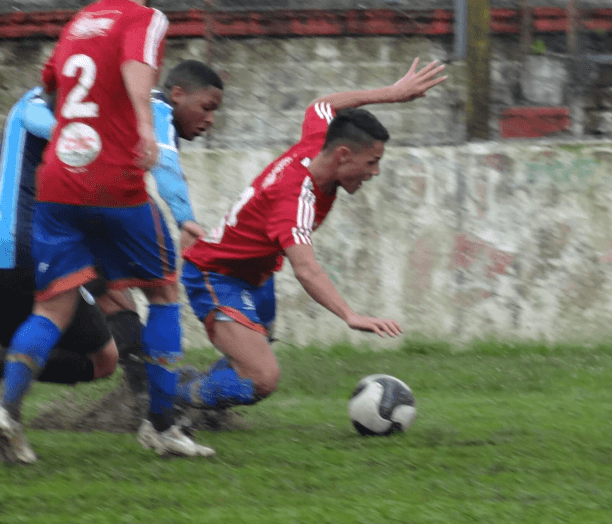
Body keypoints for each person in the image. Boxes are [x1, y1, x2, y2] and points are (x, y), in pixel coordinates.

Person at [0, 0, 217, 463]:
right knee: (163, 289)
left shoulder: (76, 24)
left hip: (59, 182)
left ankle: (7, 410)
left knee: (53, 307)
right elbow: (140, 75)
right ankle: (161, 426)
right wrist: (142, 128)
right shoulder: (145, 18)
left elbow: (49, 87)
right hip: (112, 180)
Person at [0, 58, 226, 456]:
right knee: (108, 328)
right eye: (207, 108)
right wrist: (184, 216)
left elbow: (36, 156)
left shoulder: (36, 107)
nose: (210, 120)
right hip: (34, 239)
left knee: (5, 334)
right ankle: (156, 414)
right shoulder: (144, 107)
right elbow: (144, 158)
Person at [172, 60, 446, 412]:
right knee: (262, 378)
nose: (375, 172)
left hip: (255, 274)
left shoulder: (320, 143)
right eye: (372, 162)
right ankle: (169, 400)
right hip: (216, 275)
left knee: (253, 357)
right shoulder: (295, 199)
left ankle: (203, 397)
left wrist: (392, 94)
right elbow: (306, 269)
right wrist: (350, 315)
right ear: (344, 156)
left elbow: (323, 105)